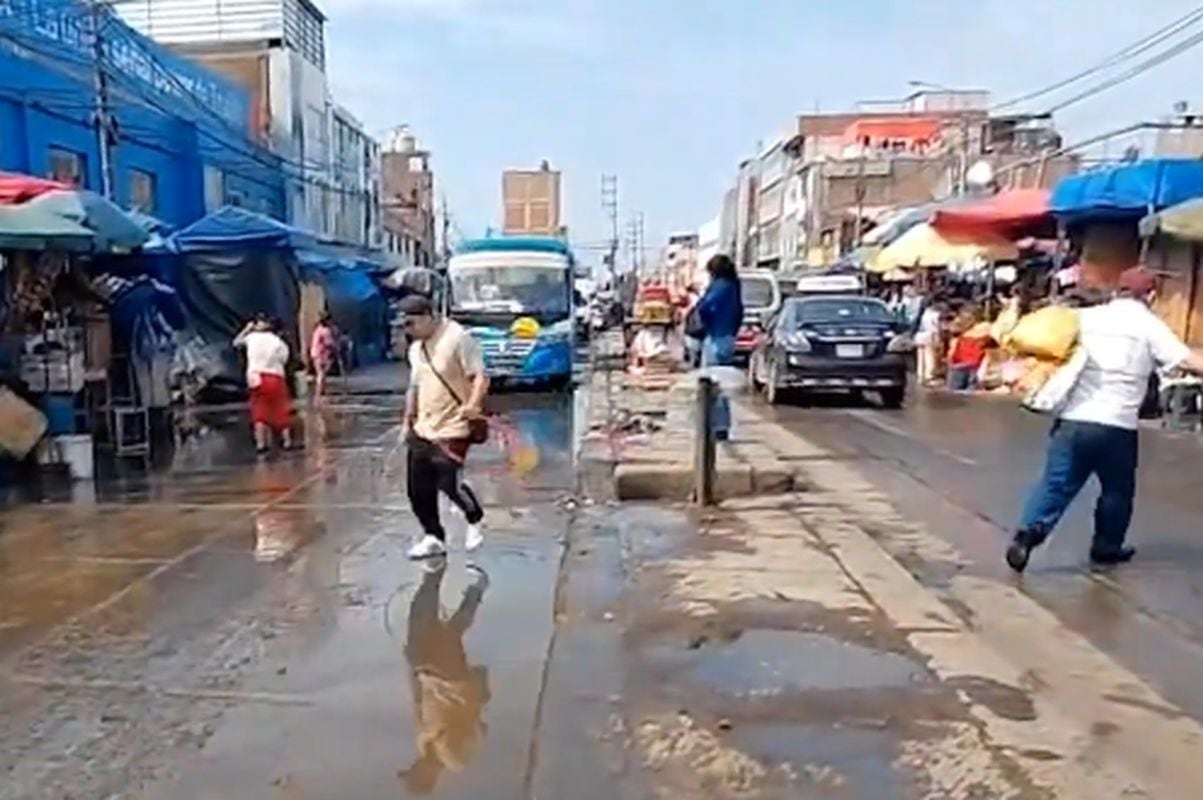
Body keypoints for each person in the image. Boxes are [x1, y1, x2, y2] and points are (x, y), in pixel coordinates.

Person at [1007, 266, 1203, 573]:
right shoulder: (1149, 326)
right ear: (1150, 295)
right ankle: (1106, 546)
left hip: (1073, 420)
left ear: (1118, 290)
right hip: (1117, 427)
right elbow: (1188, 361)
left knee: (1056, 483)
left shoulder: (1086, 318)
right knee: (1116, 490)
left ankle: (1027, 534)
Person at [401, 294, 489, 560]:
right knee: (417, 488)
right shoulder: (416, 349)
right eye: (404, 325)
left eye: (411, 323)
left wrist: (474, 404)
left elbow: (480, 376)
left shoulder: (457, 338)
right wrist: (407, 421)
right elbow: (414, 387)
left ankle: (474, 519)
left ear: (430, 316)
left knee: (448, 482)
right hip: (423, 427)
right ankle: (433, 537)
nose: (408, 330)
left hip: (454, 426)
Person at [401, 561, 490, 794]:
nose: (416, 764)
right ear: (429, 777)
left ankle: (434, 577)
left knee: (425, 623)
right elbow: (475, 726)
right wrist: (473, 693)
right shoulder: (456, 757)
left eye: (413, 767)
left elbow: (419, 705)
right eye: (417, 770)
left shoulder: (423, 746)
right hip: (454, 683)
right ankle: (475, 589)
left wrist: (414, 673)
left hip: (428, 675)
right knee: (450, 633)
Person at [693, 254, 743, 440]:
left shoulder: (720, 286)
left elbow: (705, 307)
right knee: (720, 383)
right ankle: (720, 424)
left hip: (716, 336)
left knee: (713, 384)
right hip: (728, 336)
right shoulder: (734, 286)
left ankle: (716, 425)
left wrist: (702, 317)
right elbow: (739, 313)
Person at [234, 315, 295, 455]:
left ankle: (261, 444)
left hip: (255, 376)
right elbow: (284, 359)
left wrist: (246, 329)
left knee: (259, 411)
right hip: (275, 376)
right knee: (280, 408)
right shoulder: (278, 341)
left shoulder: (251, 338)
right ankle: (286, 442)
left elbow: (236, 343)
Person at [309, 312, 338, 399]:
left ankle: (322, 390)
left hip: (315, 353)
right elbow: (329, 343)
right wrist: (335, 347)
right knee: (321, 373)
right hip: (321, 354)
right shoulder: (325, 331)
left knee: (321, 372)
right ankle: (319, 392)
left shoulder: (317, 329)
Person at [915, 300, 944, 387]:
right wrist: (938, 338)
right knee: (929, 356)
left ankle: (920, 377)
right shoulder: (935, 314)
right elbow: (936, 327)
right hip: (930, 335)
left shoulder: (922, 314)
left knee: (921, 357)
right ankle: (929, 376)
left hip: (919, 335)